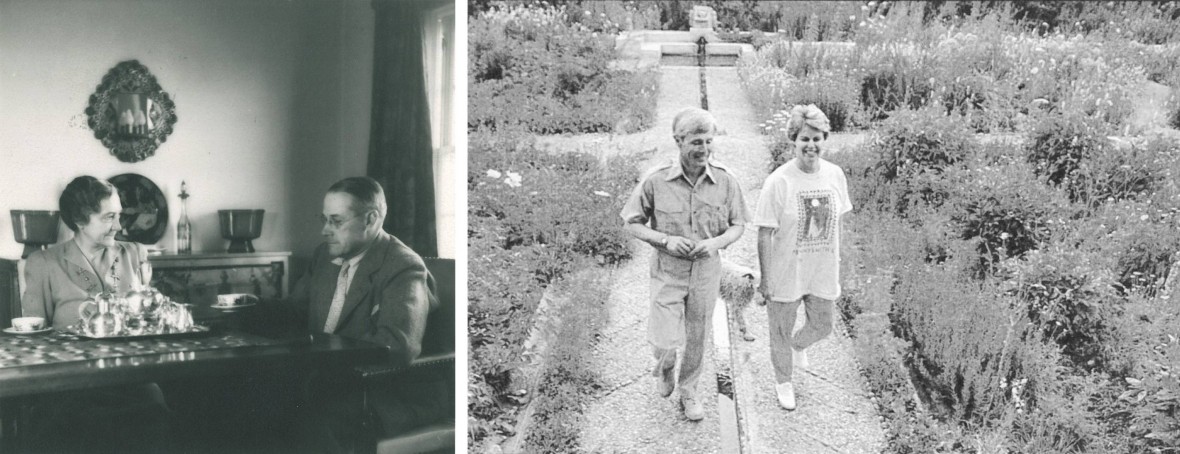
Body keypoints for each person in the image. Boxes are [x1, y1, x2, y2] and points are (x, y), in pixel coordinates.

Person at [285, 176, 441, 452]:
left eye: (336, 221)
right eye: (324, 220)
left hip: (387, 392)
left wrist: (321, 360)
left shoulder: (402, 267)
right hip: (331, 381)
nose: (324, 230)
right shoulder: (324, 256)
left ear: (370, 219)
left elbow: (397, 345)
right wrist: (238, 309)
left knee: (311, 415)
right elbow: (294, 312)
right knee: (256, 401)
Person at [21, 175, 172, 453]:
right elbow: (33, 340)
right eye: (108, 217)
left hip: (128, 378)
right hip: (69, 384)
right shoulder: (44, 263)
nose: (119, 225)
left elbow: (149, 319)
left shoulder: (134, 254)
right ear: (80, 220)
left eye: (119, 216)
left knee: (154, 400)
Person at [621, 107, 749, 421]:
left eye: (708, 141)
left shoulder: (725, 181)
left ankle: (689, 390)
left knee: (697, 333)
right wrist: (664, 240)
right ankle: (665, 365)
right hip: (669, 269)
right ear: (679, 141)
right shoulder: (656, 180)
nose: (703, 149)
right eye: (696, 142)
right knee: (665, 336)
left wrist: (715, 243)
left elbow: (738, 224)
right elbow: (631, 222)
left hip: (706, 270)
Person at [753, 104, 852, 411]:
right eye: (804, 138)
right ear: (793, 140)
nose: (811, 145)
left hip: (821, 268)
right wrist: (766, 281)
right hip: (786, 271)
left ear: (825, 139)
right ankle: (784, 381)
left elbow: (840, 223)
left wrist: (840, 262)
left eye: (817, 138)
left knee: (823, 326)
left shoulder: (835, 175)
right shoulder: (779, 181)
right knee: (779, 330)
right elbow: (764, 233)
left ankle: (799, 345)